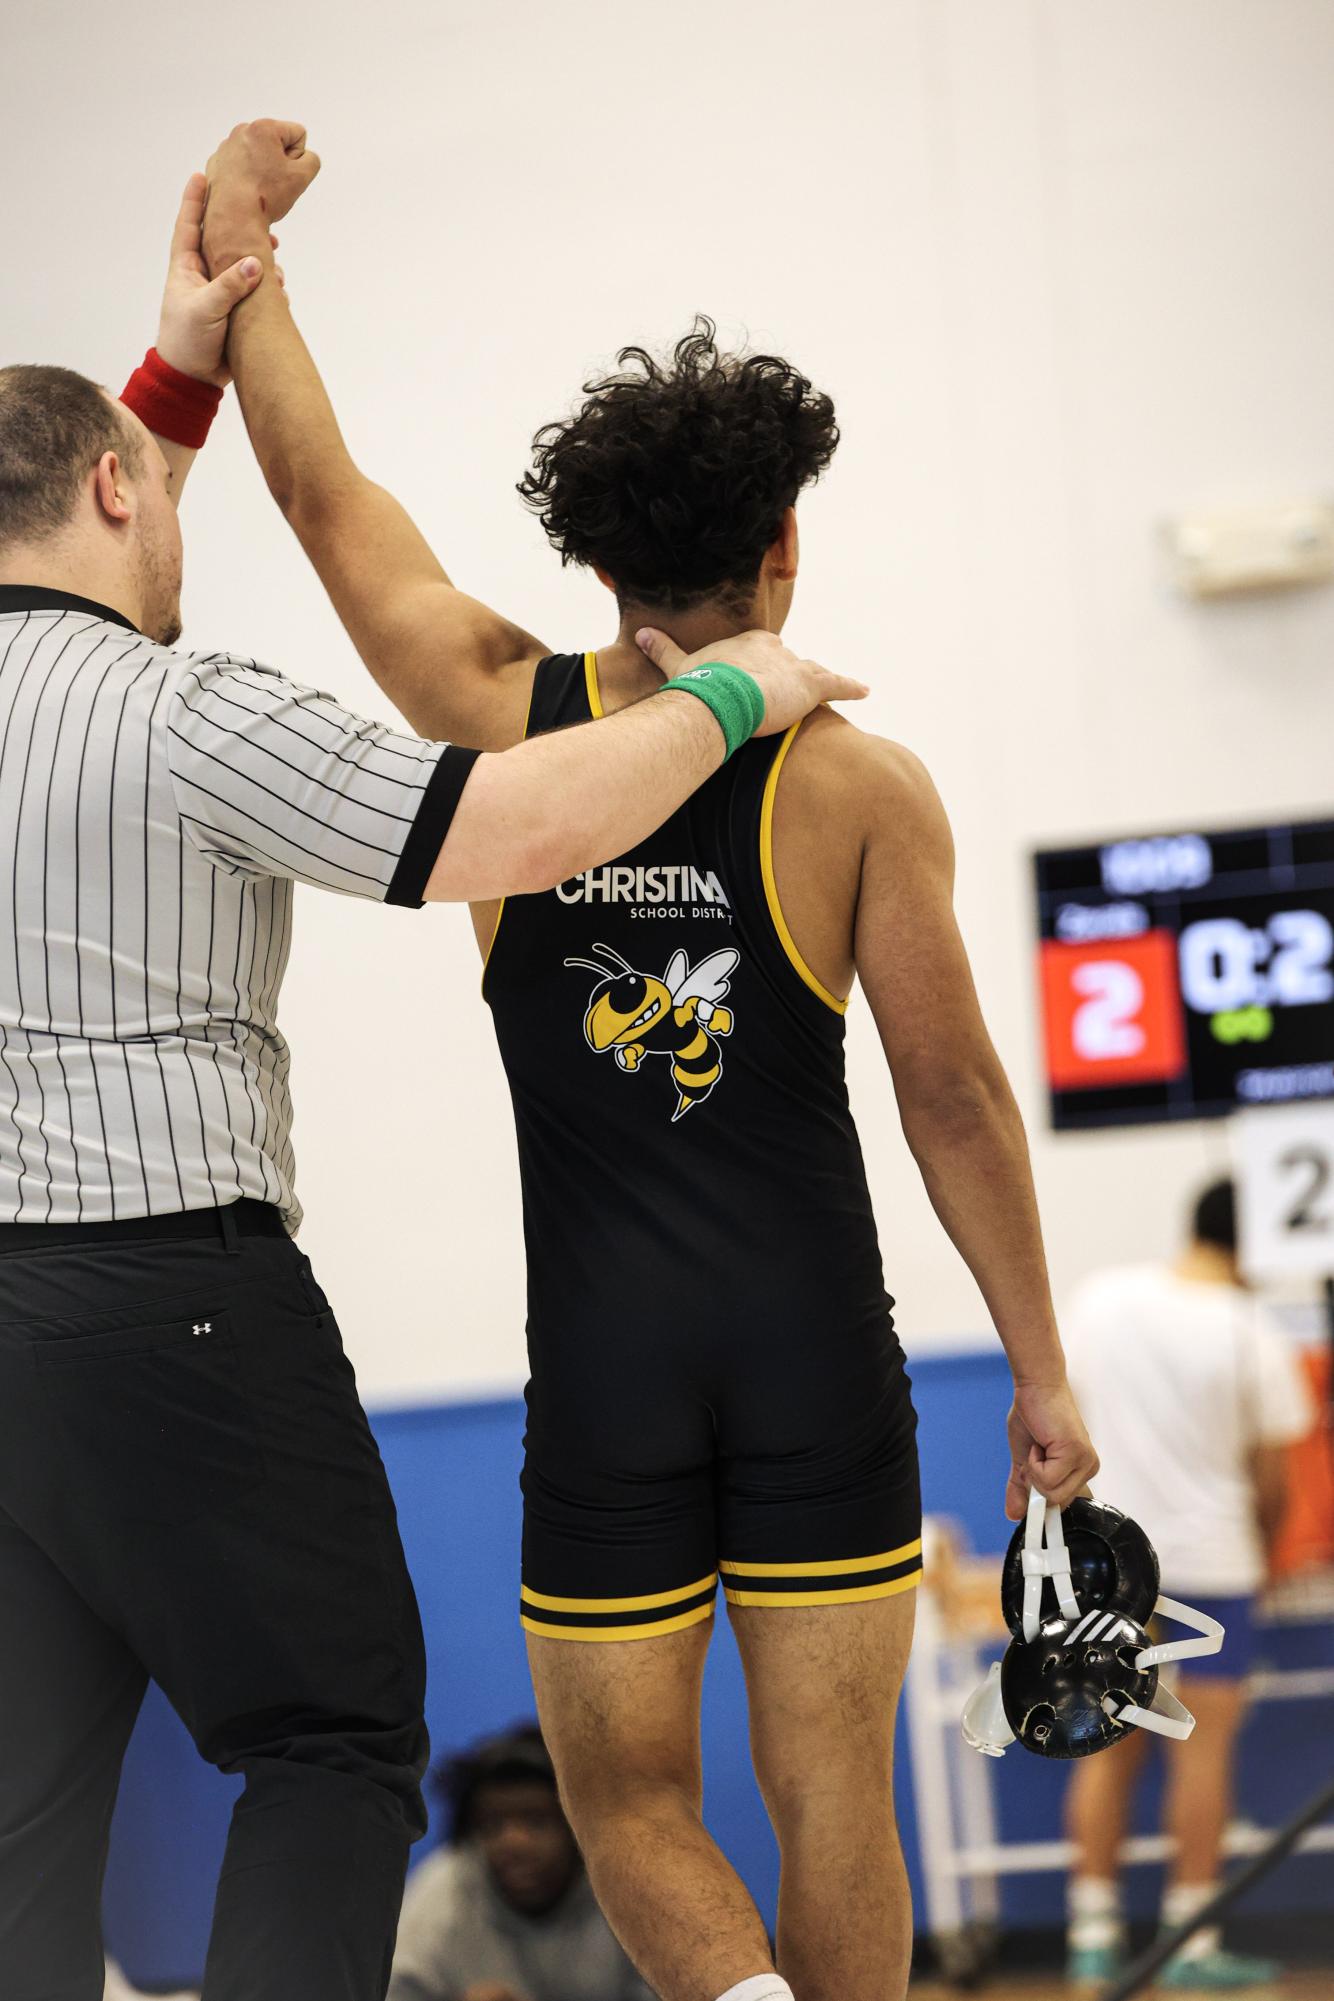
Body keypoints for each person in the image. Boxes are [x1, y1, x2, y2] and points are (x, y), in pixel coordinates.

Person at [206, 118, 1099, 2001]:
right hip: (812, 1347)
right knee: (830, 1789)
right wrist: (1034, 1369)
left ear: (599, 563)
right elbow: (950, 1099)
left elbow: (322, 501)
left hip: (605, 1365)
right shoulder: (857, 785)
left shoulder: (503, 726)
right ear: (786, 542)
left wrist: (237, 261)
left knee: (625, 1800)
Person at [0, 159, 850, 2001]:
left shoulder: (442, 671)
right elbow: (502, 832)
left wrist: (197, 355)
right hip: (186, 1297)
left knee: (29, 1803)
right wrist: (741, 692)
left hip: (40, 1329)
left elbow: (280, 506)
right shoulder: (181, 709)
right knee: (331, 1737)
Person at [1061, 1177, 1316, 1991]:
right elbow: (1275, 1481)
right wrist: (1269, 1561)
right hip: (1216, 1561)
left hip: (1112, 1556)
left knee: (1105, 1747)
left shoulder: (1100, 1299)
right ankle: (1191, 1946)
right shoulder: (1252, 1331)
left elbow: (1061, 1421)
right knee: (1202, 1752)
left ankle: (1092, 1936)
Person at [389, 1726, 651, 2001]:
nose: (513, 1843)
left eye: (536, 1821)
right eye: (493, 1825)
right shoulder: (443, 1891)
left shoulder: (627, 1895)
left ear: (580, 1829)